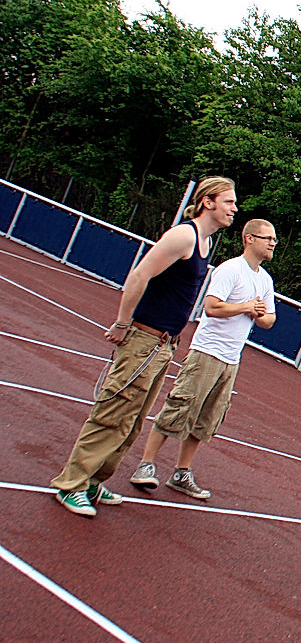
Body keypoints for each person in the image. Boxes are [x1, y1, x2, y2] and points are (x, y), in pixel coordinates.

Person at [50, 177, 238, 517]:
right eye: (229, 202)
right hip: (143, 340)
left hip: (162, 346)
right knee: (113, 413)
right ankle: (72, 483)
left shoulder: (205, 245)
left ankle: (94, 481)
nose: (234, 209)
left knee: (132, 420)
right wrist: (123, 323)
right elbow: (139, 276)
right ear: (209, 201)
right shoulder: (183, 236)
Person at [129, 219, 277, 499]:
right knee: (179, 407)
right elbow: (211, 307)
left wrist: (257, 313)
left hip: (231, 360)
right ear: (249, 239)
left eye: (274, 239)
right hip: (207, 353)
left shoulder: (265, 280)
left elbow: (269, 319)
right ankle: (145, 464)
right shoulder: (230, 269)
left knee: (207, 418)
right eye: (267, 238)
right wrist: (246, 306)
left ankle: (181, 472)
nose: (272, 243)